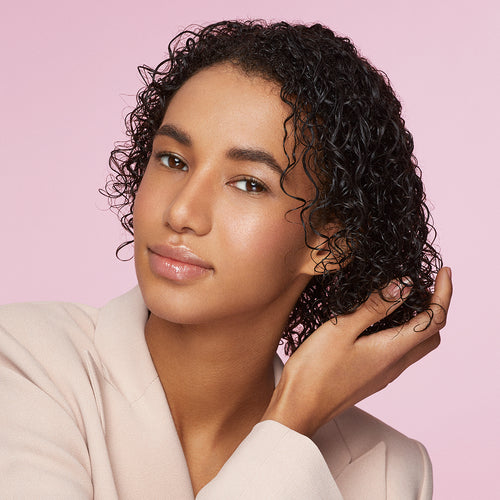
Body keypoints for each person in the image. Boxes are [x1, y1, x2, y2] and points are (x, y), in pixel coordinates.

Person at [0, 20, 452, 499]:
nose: (181, 213)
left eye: (248, 183)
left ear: (329, 242)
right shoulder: (27, 361)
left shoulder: (387, 472)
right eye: (172, 160)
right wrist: (288, 424)